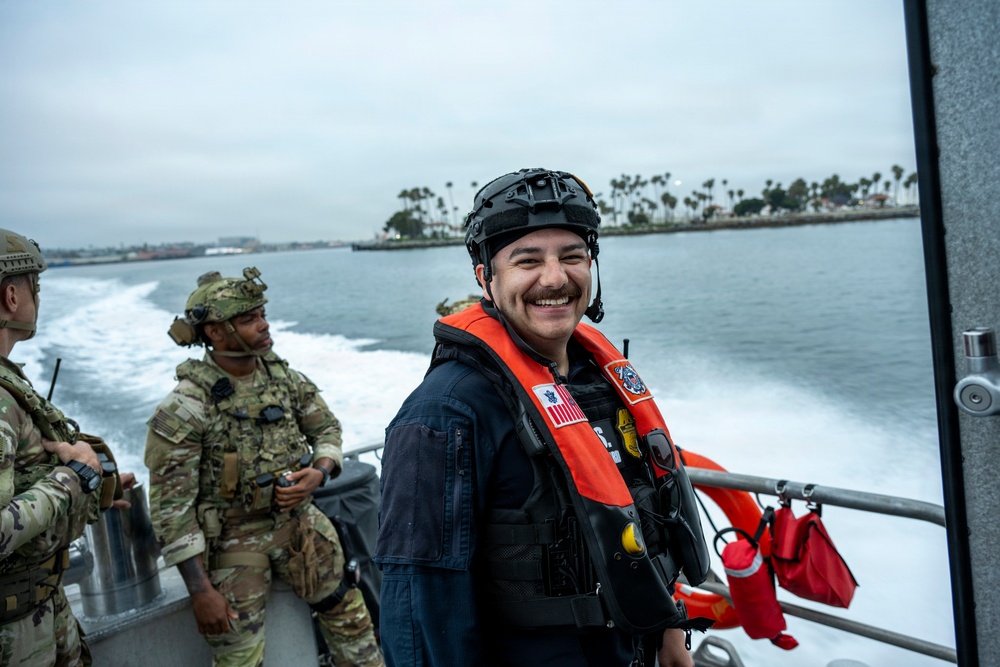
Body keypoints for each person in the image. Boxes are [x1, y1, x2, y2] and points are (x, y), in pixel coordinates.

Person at [375, 169, 714, 667]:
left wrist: (668, 633)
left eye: (572, 257)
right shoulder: (444, 414)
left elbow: (641, 518)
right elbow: (420, 610)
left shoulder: (599, 382)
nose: (555, 278)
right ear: (485, 279)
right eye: (527, 260)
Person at [144, 267, 383, 667]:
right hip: (232, 539)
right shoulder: (186, 407)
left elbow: (326, 428)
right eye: (248, 319)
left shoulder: (283, 379)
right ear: (216, 332)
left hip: (299, 524)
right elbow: (172, 512)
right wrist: (201, 591)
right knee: (239, 657)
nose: (264, 325)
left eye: (262, 314)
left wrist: (319, 472)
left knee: (351, 618)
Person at [0, 228, 133, 666]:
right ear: (12, 297)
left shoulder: (9, 379)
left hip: (40, 606)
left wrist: (96, 489)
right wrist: (72, 478)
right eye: (34, 286)